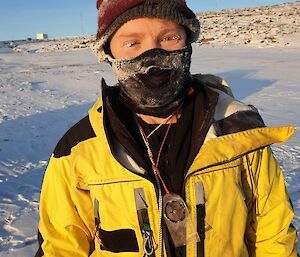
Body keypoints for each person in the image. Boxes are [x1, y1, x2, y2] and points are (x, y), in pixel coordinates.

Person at [35, 0, 298, 256]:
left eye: (169, 38)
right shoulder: (79, 150)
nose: (153, 56)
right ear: (108, 53)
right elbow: (61, 246)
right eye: (132, 43)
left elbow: (272, 234)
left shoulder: (239, 131)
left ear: (188, 42)